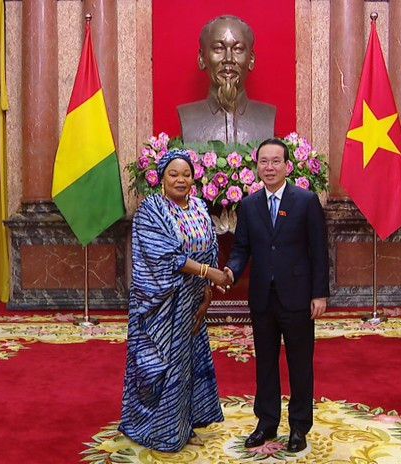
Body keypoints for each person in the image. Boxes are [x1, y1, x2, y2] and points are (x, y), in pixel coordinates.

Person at [119, 149, 230, 452]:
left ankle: (184, 423)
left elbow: (209, 247)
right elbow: (166, 256)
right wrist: (211, 273)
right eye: (173, 174)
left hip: (192, 300)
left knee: (188, 363)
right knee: (162, 364)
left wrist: (206, 290)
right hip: (161, 302)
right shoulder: (151, 210)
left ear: (194, 178)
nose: (180, 180)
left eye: (185, 174)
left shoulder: (198, 206)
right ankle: (157, 429)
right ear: (161, 178)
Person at [224, 138, 329, 453]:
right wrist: (230, 271)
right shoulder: (249, 204)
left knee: (300, 364)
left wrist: (319, 294)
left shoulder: (306, 201)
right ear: (256, 166)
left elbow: (318, 252)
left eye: (275, 161)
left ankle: (299, 426)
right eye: (263, 162)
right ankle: (266, 422)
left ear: (287, 166)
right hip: (262, 298)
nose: (269, 167)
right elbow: (242, 247)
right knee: (265, 363)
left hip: (297, 296)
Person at [177, 15, 275, 144]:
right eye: (218, 48)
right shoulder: (188, 116)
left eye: (238, 49)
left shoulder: (267, 115)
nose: (228, 59)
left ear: (251, 59)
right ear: (202, 58)